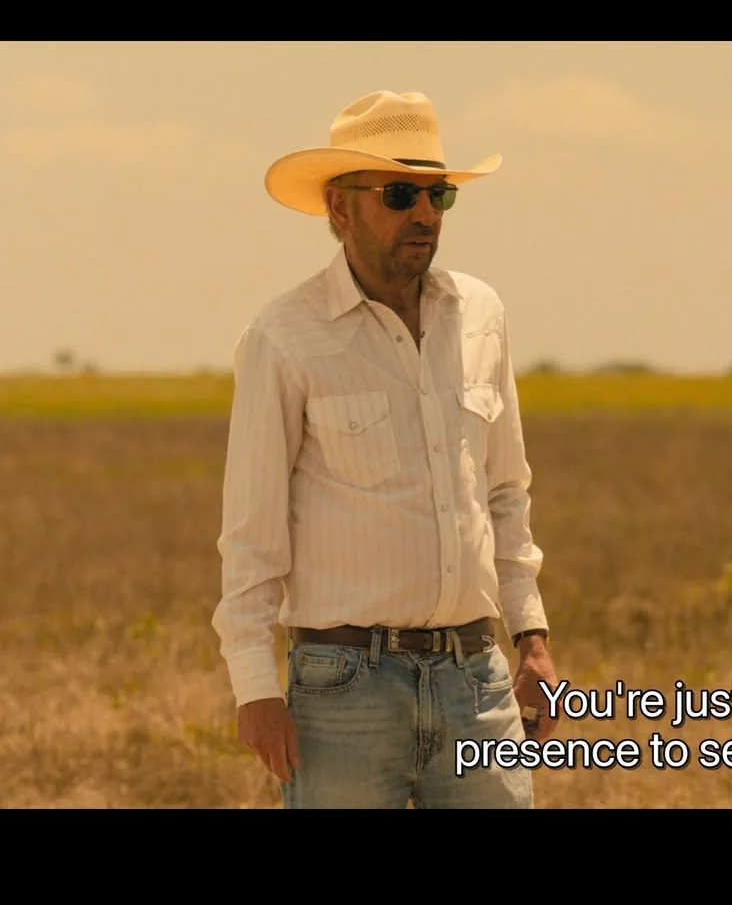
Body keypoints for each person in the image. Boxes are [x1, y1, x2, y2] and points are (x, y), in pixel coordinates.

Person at [212, 90, 559, 809]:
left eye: (438, 195)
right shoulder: (284, 337)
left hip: (475, 679)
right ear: (340, 208)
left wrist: (531, 635)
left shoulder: (481, 315)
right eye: (400, 194)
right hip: (344, 693)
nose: (424, 213)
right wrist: (255, 689)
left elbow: (504, 493)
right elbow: (251, 536)